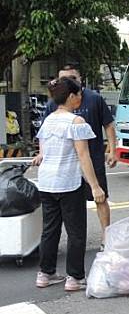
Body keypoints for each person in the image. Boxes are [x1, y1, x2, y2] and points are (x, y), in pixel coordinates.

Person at [35, 77, 106, 291]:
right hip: (68, 182)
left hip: (46, 182)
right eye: (79, 95)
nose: (80, 99)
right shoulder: (76, 122)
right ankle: (74, 278)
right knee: (76, 232)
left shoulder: (48, 120)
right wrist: (95, 186)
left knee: (50, 230)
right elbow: (83, 156)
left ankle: (45, 274)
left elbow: (43, 152)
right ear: (72, 96)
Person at [37, 64, 116, 249]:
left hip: (93, 158)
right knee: (68, 212)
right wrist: (42, 153)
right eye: (63, 79)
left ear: (80, 79)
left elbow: (109, 125)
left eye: (72, 78)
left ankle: (106, 237)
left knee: (100, 197)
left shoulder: (94, 98)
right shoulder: (54, 103)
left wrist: (113, 150)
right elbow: (45, 132)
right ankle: (63, 260)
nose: (67, 82)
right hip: (66, 167)